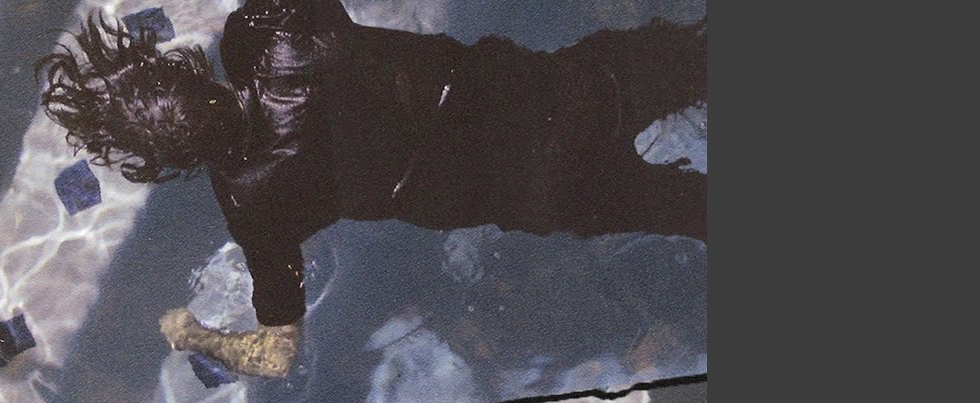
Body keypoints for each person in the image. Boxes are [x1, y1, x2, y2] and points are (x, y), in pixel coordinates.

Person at [37, 1, 707, 378]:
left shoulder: (252, 205)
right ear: (177, 64)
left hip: (547, 191)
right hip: (565, 96)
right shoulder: (267, 35)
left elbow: (275, 355)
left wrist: (193, 334)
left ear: (159, 162)